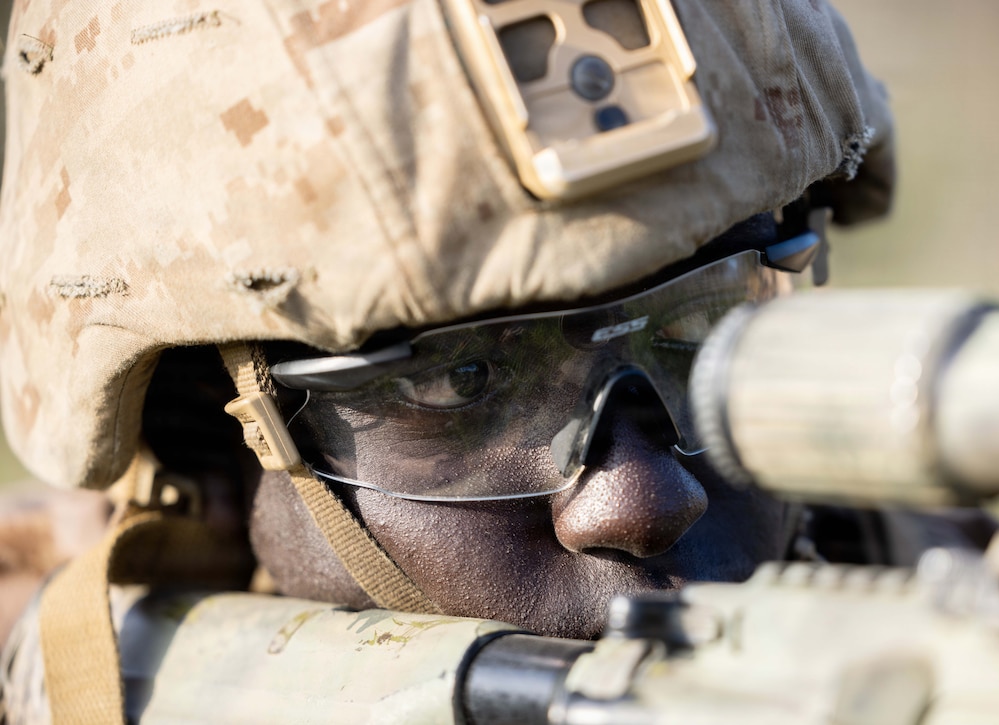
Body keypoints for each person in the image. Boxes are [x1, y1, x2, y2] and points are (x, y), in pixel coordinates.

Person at [0, 0, 903, 718]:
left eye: (706, 331)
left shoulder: (932, 634)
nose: (645, 498)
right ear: (209, 436)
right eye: (461, 380)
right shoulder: (49, 664)